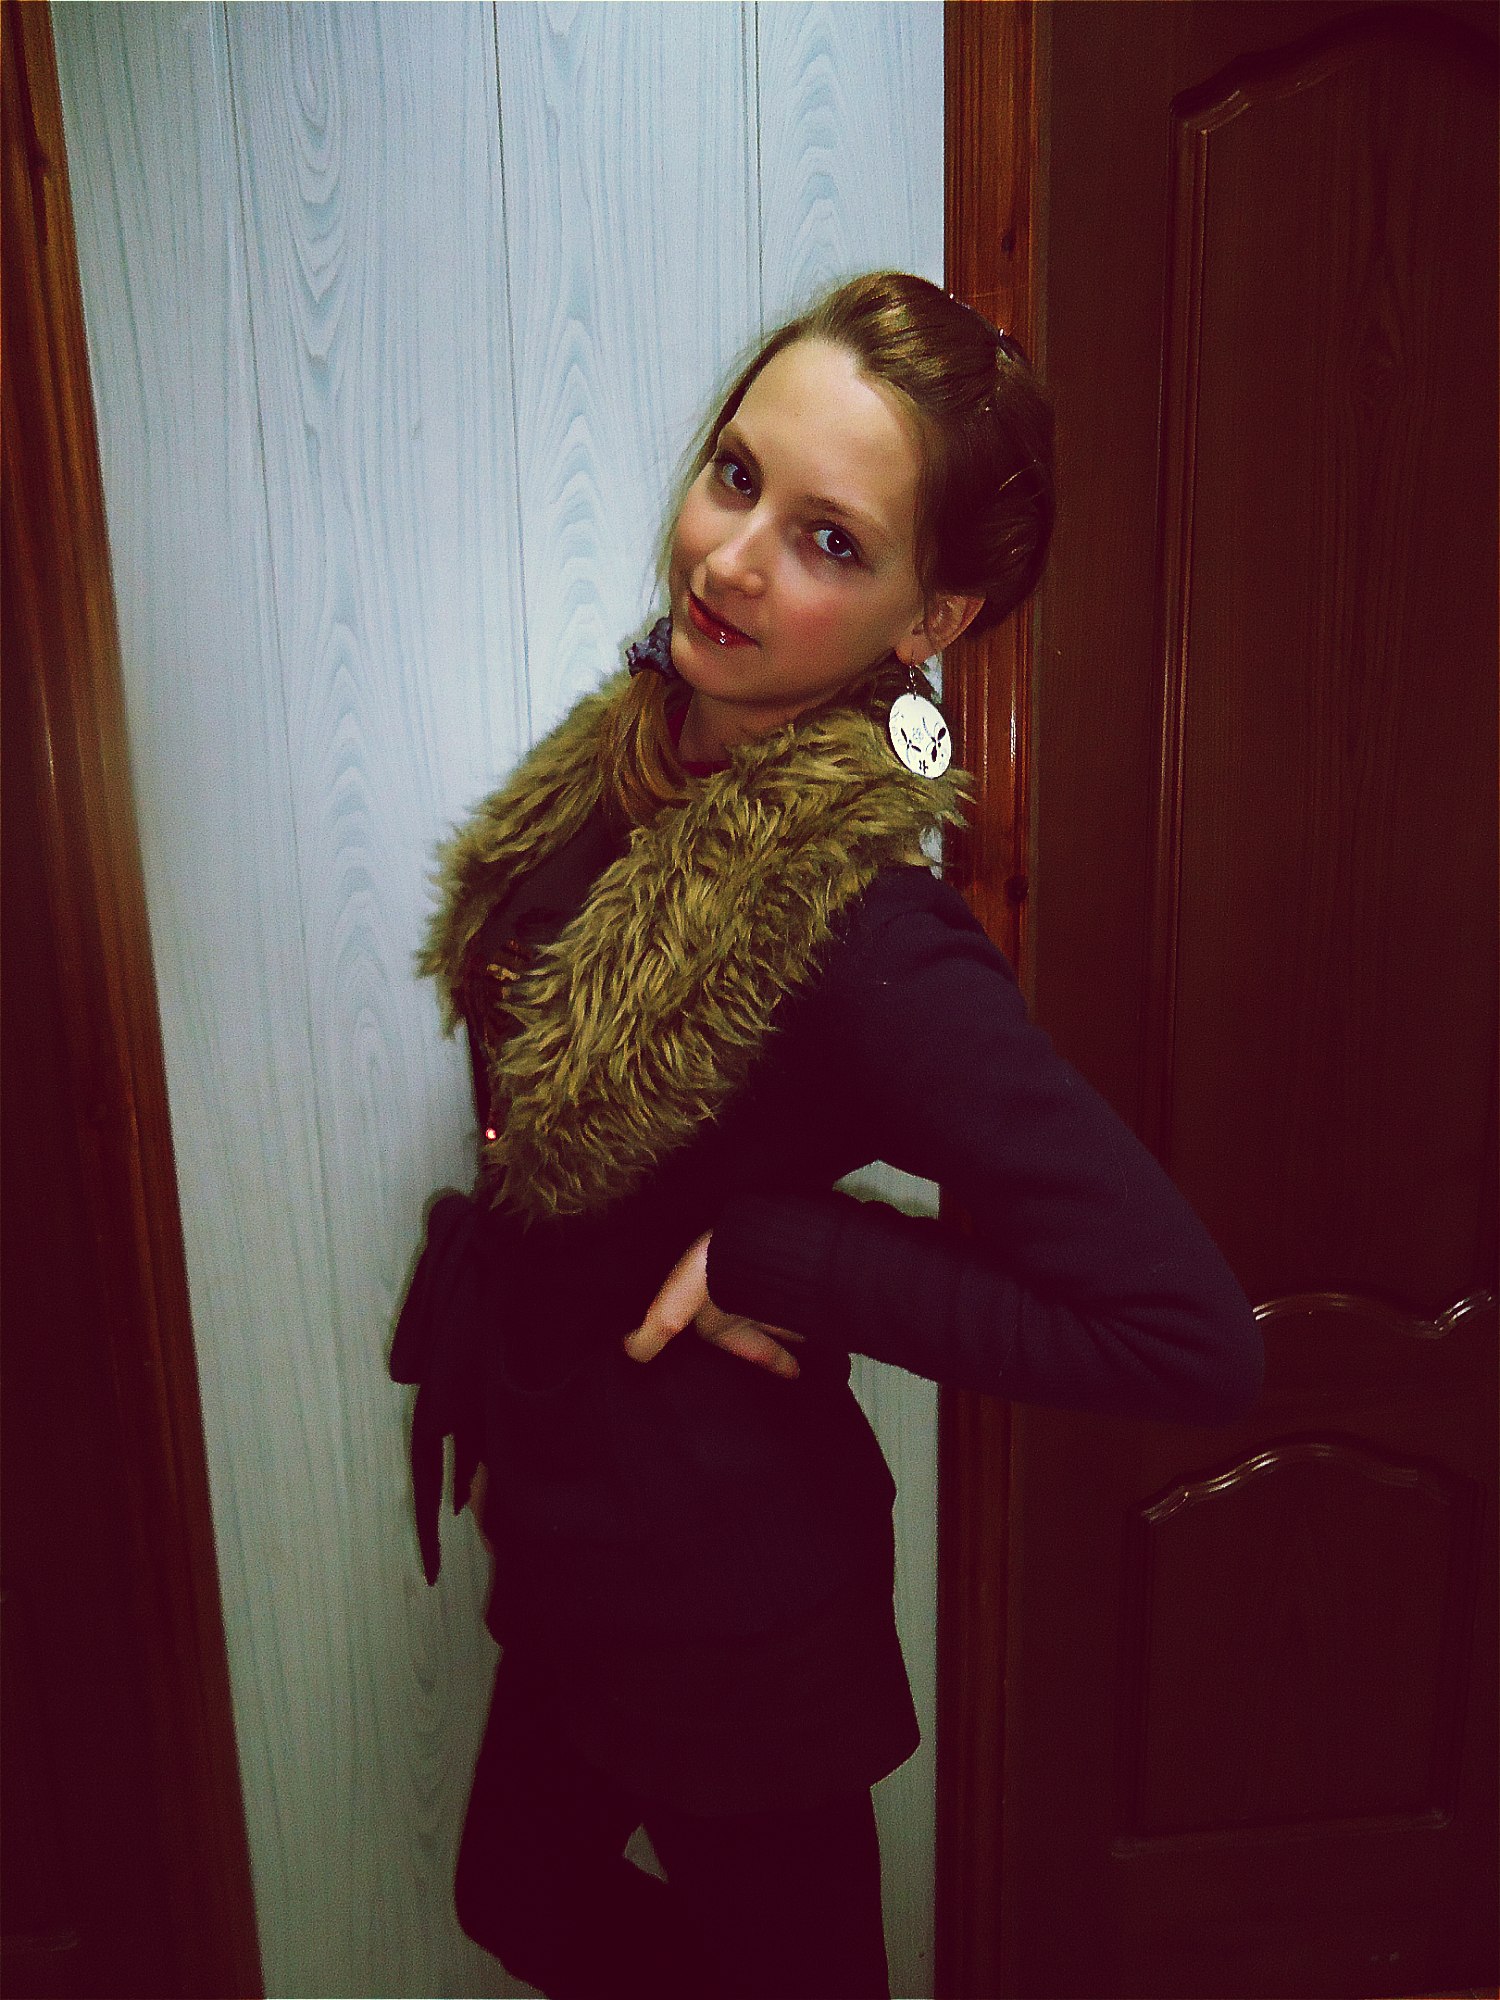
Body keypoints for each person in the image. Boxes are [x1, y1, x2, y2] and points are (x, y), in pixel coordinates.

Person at [388, 270, 1264, 2000]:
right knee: (517, 1902)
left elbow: (1187, 1337)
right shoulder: (635, 759)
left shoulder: (868, 935)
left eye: (828, 542)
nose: (729, 559)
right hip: (579, 1539)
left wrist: (785, 1252)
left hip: (731, 1608)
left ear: (929, 617)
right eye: (736, 477)